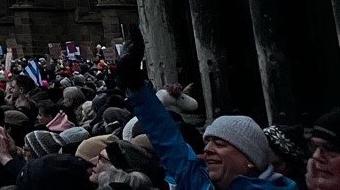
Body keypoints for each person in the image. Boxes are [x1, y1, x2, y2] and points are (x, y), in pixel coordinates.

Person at [112, 42, 294, 190]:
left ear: (251, 161)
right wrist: (137, 88)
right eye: (208, 142)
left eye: (220, 144)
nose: (207, 149)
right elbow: (168, 140)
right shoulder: (202, 183)